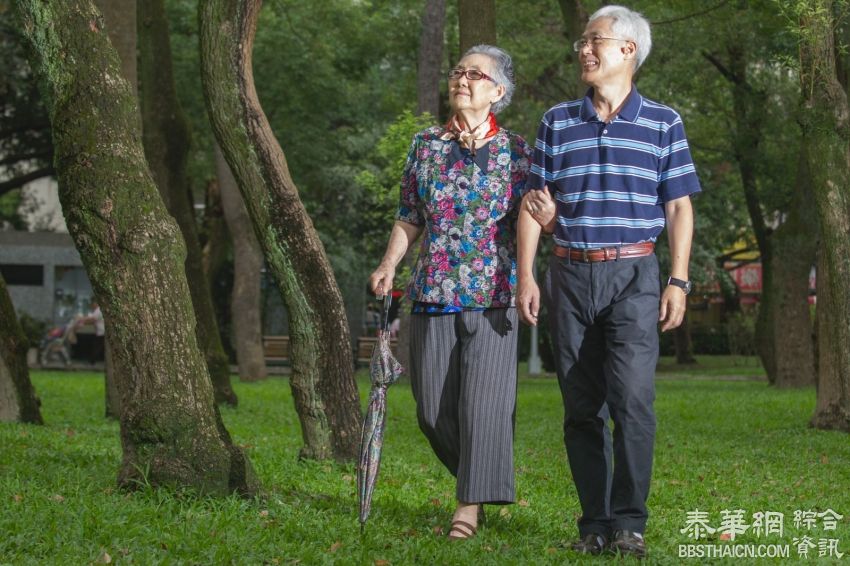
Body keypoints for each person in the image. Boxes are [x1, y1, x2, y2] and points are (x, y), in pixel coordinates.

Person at [516, 5, 699, 558]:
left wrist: (679, 280)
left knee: (633, 403)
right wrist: (527, 272)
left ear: (628, 51)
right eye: (581, 41)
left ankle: (629, 523)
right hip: (569, 273)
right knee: (580, 407)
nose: (584, 50)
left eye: (596, 40)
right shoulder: (556, 120)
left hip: (635, 274)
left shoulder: (663, 122)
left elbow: (679, 208)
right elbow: (533, 203)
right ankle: (593, 524)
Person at [369, 45, 534, 540]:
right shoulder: (425, 145)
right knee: (431, 410)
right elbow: (409, 214)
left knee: (484, 404)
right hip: (432, 289)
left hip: (493, 294)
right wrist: (389, 262)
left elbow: (532, 217)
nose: (462, 79)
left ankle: (468, 506)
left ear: (497, 92)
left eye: (476, 74)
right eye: (458, 71)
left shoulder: (519, 151)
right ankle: (483, 476)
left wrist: (531, 268)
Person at [80, 300, 105, 365]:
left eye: (92, 304)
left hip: (101, 332)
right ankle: (92, 361)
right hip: (100, 332)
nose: (92, 306)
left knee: (96, 347)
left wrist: (82, 321)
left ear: (96, 303)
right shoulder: (98, 310)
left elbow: (92, 319)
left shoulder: (98, 310)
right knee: (98, 347)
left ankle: (92, 361)